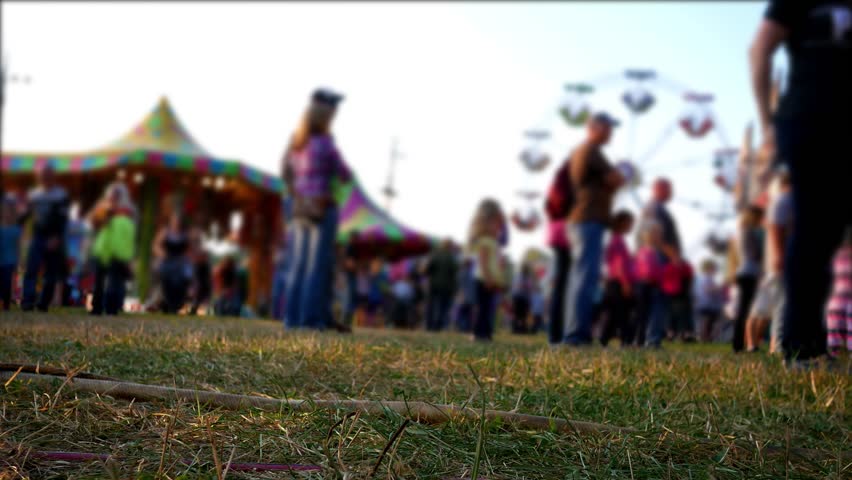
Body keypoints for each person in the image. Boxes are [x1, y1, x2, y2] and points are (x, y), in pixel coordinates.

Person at [749, 0, 852, 363]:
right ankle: (800, 344)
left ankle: (806, 341)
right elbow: (761, 47)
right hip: (811, 121)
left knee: (825, 234)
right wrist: (767, 126)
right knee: (814, 230)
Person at [281, 88, 351, 330]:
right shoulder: (325, 143)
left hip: (299, 208)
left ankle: (291, 319)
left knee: (297, 265)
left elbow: (286, 173)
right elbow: (344, 174)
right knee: (316, 268)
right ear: (326, 116)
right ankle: (311, 320)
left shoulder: (297, 142)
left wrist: (297, 191)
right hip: (321, 208)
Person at [563, 113, 626, 345]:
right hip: (588, 220)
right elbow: (616, 179)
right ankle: (576, 334)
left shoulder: (586, 151)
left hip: (586, 220)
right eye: (608, 128)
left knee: (583, 277)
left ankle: (577, 332)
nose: (611, 133)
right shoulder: (591, 151)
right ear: (595, 127)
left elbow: (614, 180)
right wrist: (617, 176)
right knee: (585, 278)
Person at [745, 167, 792, 353]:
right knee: (766, 309)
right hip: (768, 269)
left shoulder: (777, 208)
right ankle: (760, 345)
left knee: (771, 309)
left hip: (769, 267)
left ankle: (773, 345)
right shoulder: (781, 204)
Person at [20, 164, 70, 312]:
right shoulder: (34, 194)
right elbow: (26, 215)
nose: (45, 178)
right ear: (38, 177)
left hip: (53, 238)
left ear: (53, 176)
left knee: (51, 274)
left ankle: (43, 303)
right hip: (37, 237)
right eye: (42, 175)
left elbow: (63, 219)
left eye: (47, 175)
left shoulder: (60, 195)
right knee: (31, 270)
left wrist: (56, 238)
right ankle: (27, 302)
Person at [86, 182, 137, 316]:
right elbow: (94, 223)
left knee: (115, 282)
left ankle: (112, 308)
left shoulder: (127, 211)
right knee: (99, 281)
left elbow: (129, 232)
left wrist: (127, 255)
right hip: (103, 248)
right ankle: (96, 307)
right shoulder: (103, 208)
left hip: (118, 251)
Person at [467, 198, 510, 342]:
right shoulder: (485, 241)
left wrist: (499, 268)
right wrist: (488, 278)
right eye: (495, 225)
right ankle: (478, 333)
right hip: (483, 279)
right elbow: (483, 262)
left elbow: (493, 261)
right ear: (485, 224)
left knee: (489, 307)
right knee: (482, 307)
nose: (498, 228)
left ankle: (486, 332)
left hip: (491, 279)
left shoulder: (493, 242)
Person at [599, 210, 636, 347]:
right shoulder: (617, 241)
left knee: (614, 313)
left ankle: (605, 340)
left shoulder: (616, 240)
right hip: (618, 282)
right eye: (630, 223)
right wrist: (626, 283)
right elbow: (619, 265)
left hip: (614, 281)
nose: (631, 226)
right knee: (621, 313)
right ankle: (624, 340)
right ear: (622, 223)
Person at [731, 206, 765, 353]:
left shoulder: (741, 232)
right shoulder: (749, 232)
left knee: (743, 309)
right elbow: (755, 254)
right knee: (746, 310)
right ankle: (739, 343)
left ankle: (739, 343)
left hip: (744, 271)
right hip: (750, 272)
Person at [633, 221, 666, 348]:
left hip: (654, 286)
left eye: (659, 234)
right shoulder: (645, 252)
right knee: (643, 314)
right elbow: (644, 270)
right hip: (645, 285)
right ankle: (640, 340)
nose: (658, 236)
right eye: (656, 234)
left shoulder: (657, 252)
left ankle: (649, 339)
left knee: (652, 314)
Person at [153, 211, 193, 314]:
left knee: (187, 276)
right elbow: (156, 246)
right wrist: (162, 254)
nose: (176, 223)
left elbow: (189, 250)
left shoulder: (185, 234)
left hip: (180, 262)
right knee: (162, 276)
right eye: (174, 221)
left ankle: (182, 301)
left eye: (178, 221)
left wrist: (186, 257)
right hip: (167, 260)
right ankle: (162, 301)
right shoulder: (165, 232)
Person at [826, 226, 852, 358]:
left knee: (835, 343)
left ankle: (835, 357)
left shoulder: (836, 254)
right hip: (845, 302)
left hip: (836, 302)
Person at [425, 239, 459, 332]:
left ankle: (429, 326)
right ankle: (437, 327)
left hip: (434, 285)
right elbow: (456, 271)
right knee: (443, 307)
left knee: (431, 306)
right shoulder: (452, 258)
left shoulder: (435, 255)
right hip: (447, 287)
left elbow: (427, 269)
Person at [0, 195, 24, 310]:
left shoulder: (16, 229)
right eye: (5, 211)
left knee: (7, 283)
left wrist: (19, 262)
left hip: (10, 261)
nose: (7, 214)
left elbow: (18, 247)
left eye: (10, 211)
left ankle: (6, 305)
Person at [695, 259, 725, 342]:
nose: (715, 270)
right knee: (706, 322)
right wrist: (718, 288)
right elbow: (707, 289)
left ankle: (707, 338)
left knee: (709, 322)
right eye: (713, 268)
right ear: (708, 268)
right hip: (706, 304)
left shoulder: (707, 278)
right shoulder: (705, 278)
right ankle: (704, 338)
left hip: (709, 304)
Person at [510, 264, 534, 334]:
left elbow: (530, 288)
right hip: (518, 297)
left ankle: (523, 329)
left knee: (523, 315)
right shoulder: (518, 276)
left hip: (524, 298)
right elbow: (516, 287)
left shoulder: (528, 277)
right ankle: (515, 329)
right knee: (517, 314)